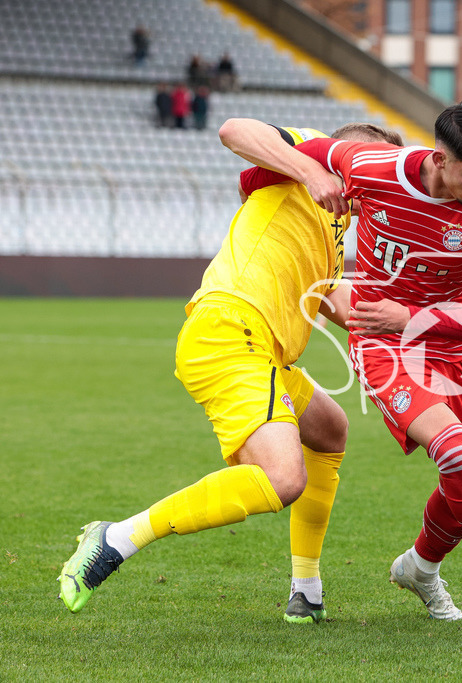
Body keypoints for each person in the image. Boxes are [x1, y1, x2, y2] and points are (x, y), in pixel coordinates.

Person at [225, 102, 462, 632]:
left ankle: (421, 568)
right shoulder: (371, 165)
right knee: (452, 449)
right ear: (441, 157)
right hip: (382, 343)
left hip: (452, 345)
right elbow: (245, 153)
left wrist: (410, 314)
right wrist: (298, 177)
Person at [58, 122, 402, 625]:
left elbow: (334, 298)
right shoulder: (308, 153)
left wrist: (412, 321)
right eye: (377, 167)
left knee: (329, 429)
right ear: (349, 154)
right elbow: (233, 129)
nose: (383, 181)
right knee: (283, 479)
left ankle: (305, 589)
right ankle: (116, 537)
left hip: (263, 351)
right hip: (231, 329)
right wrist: (310, 168)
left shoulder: (335, 227)